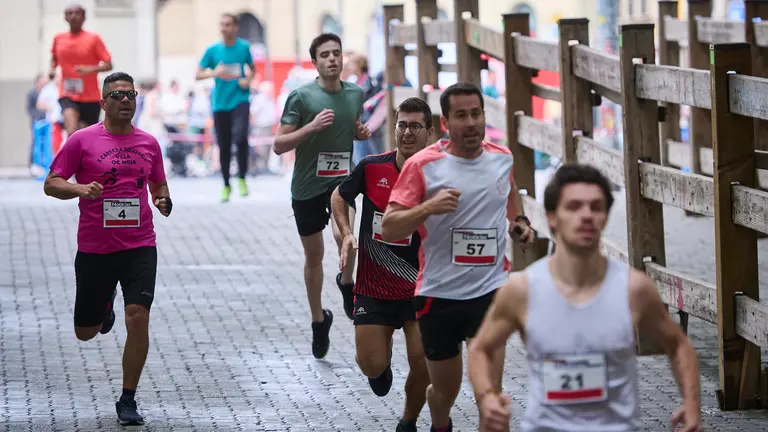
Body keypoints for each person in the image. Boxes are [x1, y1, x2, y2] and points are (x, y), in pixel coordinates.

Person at [467, 164, 702, 432]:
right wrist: (487, 397)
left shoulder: (633, 289)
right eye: (574, 206)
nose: (586, 215)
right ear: (552, 217)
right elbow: (480, 349)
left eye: (596, 207)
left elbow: (678, 345)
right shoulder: (522, 290)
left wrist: (692, 405)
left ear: (605, 216)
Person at [380, 82, 536, 432]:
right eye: (461, 116)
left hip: (491, 291)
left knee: (490, 395)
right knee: (445, 390)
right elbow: (389, 227)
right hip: (439, 294)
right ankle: (440, 421)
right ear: (446, 122)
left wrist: (519, 222)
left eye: (476, 114)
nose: (471, 123)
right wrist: (429, 207)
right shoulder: (423, 165)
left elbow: (507, 191)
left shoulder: (502, 158)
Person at [42, 72, 172, 426]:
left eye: (130, 94)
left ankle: (127, 398)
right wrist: (81, 190)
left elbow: (158, 183)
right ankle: (104, 307)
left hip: (139, 245)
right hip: (96, 249)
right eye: (117, 95)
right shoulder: (82, 141)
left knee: (139, 316)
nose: (126, 100)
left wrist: (162, 199)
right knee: (86, 331)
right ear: (103, 103)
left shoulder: (148, 143)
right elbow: (51, 184)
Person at [330, 97, 433, 432]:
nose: (407, 132)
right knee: (371, 366)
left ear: (429, 133)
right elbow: (339, 196)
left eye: (415, 126)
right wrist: (346, 234)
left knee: (423, 362)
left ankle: (408, 420)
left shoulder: (439, 174)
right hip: (374, 286)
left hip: (421, 287)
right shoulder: (373, 166)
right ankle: (379, 356)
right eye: (402, 124)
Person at [273, 33, 371, 359]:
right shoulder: (301, 97)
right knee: (314, 256)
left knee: (347, 236)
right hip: (306, 187)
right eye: (325, 54)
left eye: (337, 53)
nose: (332, 59)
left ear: (343, 59)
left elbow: (351, 122)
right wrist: (311, 128)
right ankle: (319, 319)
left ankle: (347, 282)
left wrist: (359, 130)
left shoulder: (355, 93)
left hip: (342, 180)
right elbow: (279, 145)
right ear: (314, 62)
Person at [196, 13, 256, 202]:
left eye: (228, 24)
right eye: (222, 24)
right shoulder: (213, 50)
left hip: (240, 100)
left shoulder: (244, 47)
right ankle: (226, 184)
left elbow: (253, 68)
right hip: (220, 103)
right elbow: (197, 75)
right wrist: (215, 72)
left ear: (236, 27)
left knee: (240, 137)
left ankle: (242, 178)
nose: (225, 28)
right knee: (224, 144)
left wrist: (247, 80)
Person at [49, 3, 113, 138]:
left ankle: (83, 159)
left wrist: (90, 69)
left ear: (84, 17)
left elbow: (109, 65)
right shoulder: (59, 39)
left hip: (90, 96)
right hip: (67, 93)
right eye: (70, 13)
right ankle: (70, 158)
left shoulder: (93, 39)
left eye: (77, 13)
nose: (73, 16)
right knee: (72, 133)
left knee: (86, 137)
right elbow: (54, 58)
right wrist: (52, 69)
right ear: (65, 17)